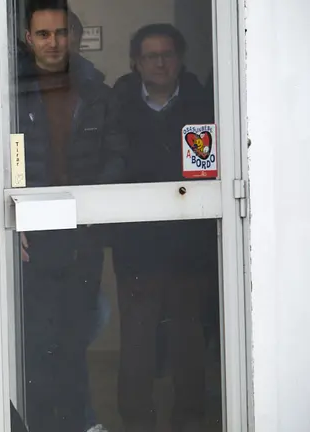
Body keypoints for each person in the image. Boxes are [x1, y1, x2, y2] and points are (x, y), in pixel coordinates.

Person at [15, 0, 126, 430]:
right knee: (39, 343)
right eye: (43, 34)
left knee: (75, 337)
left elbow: (117, 154)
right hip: (32, 238)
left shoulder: (97, 91)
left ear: (74, 37)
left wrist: (95, 206)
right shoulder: (10, 90)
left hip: (82, 237)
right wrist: (12, 219)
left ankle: (79, 422)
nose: (53, 42)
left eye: (61, 33)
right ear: (29, 39)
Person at [110, 23, 218, 432]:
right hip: (136, 246)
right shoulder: (118, 106)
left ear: (180, 59)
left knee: (188, 340)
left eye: (167, 54)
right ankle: (138, 423)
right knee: (137, 342)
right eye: (151, 56)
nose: (160, 63)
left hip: (190, 246)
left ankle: (189, 421)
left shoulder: (204, 104)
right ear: (135, 62)